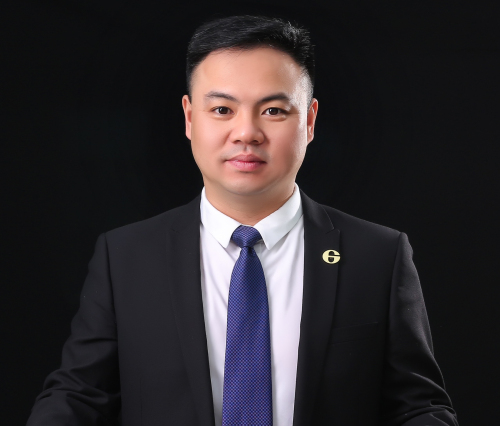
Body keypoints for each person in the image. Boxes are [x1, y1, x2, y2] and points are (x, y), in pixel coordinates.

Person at [27, 15, 458, 426]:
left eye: (273, 111)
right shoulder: (125, 257)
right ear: (189, 118)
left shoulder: (377, 255)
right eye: (222, 110)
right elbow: (80, 395)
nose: (247, 133)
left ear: (309, 121)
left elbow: (417, 407)